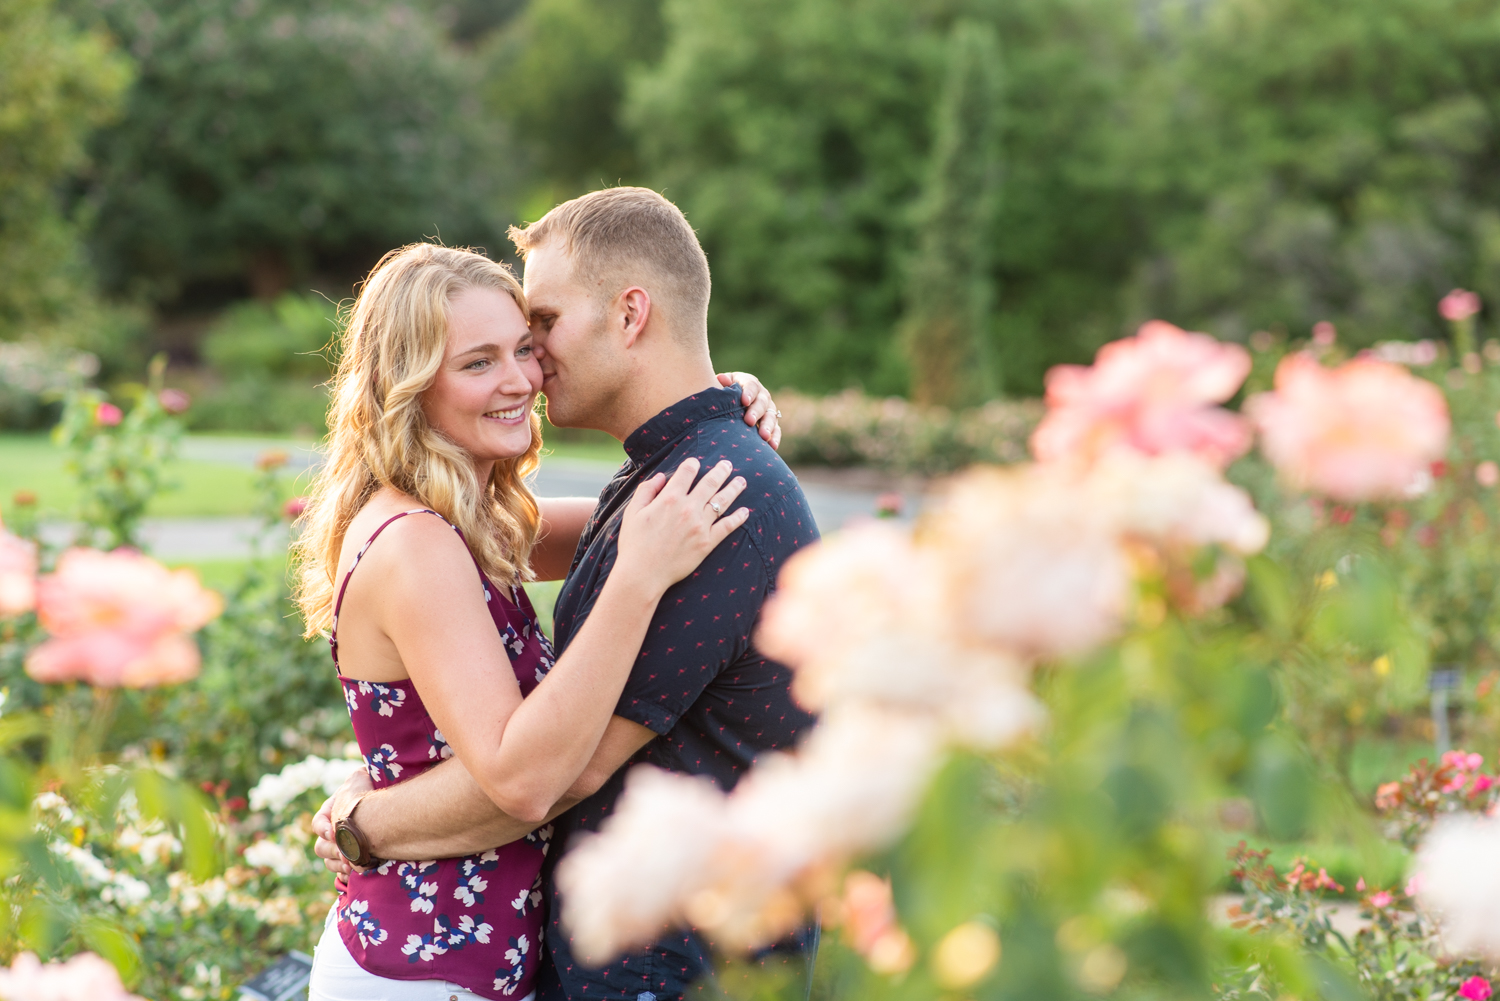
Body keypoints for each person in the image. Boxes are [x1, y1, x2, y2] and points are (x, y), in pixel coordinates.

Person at [312, 187, 823, 1000]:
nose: (528, 370)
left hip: (666, 965)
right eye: (483, 360)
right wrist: (359, 824)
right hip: (426, 963)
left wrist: (722, 408)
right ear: (412, 385)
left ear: (629, 316)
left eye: (533, 333)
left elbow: (554, 771)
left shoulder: (681, 496)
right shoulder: (423, 538)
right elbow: (534, 773)